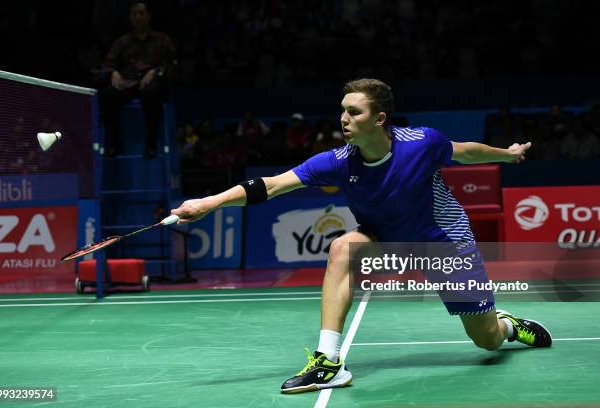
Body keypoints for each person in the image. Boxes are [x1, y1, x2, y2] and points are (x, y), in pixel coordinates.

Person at [170, 78, 552, 394]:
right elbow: (270, 186)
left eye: (354, 112)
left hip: (440, 240)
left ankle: (507, 325)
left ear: (379, 118)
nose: (344, 118)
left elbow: (465, 152)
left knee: (485, 339)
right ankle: (329, 361)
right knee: (341, 248)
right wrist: (209, 202)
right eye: (343, 110)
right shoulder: (338, 162)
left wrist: (506, 154)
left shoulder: (422, 143)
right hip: (382, 235)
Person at [99, 0, 175, 159]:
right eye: (134, 14)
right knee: (107, 96)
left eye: (141, 13)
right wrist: (113, 72)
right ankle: (114, 144)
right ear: (130, 17)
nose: (138, 17)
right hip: (128, 82)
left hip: (151, 84)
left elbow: (172, 64)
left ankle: (151, 145)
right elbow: (108, 63)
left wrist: (155, 71)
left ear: (148, 16)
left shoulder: (162, 39)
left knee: (153, 93)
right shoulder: (122, 41)